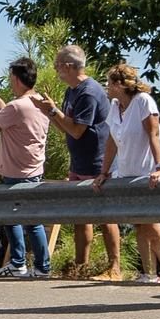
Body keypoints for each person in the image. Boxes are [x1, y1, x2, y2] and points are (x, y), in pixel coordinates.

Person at [34, 45, 120, 280]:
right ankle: (81, 266)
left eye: (57, 66)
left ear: (69, 67)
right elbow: (67, 129)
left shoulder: (88, 92)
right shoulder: (71, 91)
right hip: (79, 163)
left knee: (105, 216)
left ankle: (115, 268)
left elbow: (78, 130)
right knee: (80, 217)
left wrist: (51, 110)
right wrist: (48, 111)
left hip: (97, 163)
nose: (55, 70)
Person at [94, 63, 160, 284]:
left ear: (119, 84)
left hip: (147, 170)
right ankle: (149, 273)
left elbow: (153, 134)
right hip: (127, 172)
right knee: (139, 223)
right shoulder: (115, 105)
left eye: (109, 83)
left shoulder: (143, 102)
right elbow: (111, 140)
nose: (107, 88)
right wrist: (104, 171)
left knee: (153, 225)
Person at [0, 56, 52, 278]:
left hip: (16, 172)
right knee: (22, 219)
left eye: (11, 78)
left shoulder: (17, 106)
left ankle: (30, 265)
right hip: (32, 170)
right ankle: (29, 264)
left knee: (21, 220)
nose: (9, 82)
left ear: (17, 79)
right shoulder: (37, 102)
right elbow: (12, 118)